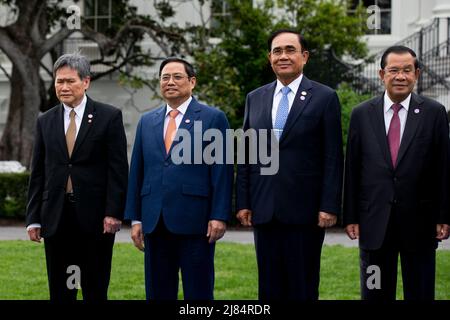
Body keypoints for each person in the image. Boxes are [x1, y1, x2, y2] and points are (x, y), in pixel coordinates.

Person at [235, 29, 344, 300]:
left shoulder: (325, 97)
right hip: (265, 209)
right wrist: (243, 201)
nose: (283, 56)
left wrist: (329, 205)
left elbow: (333, 156)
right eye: (277, 51)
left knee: (302, 287)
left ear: (304, 57)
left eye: (290, 50)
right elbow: (247, 153)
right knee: (269, 289)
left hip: (305, 213)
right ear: (269, 57)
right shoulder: (255, 98)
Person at [343, 45, 450, 300]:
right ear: (382, 75)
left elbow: (443, 168)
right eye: (393, 70)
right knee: (375, 291)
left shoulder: (434, 113)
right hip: (374, 223)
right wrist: (351, 216)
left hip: (420, 223)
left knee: (420, 292)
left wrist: (443, 215)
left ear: (417, 74)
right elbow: (353, 168)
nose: (400, 76)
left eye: (407, 70)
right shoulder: (361, 114)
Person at [124, 57, 233, 300]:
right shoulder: (146, 121)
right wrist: (136, 218)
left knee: (198, 292)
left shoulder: (213, 118)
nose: (170, 82)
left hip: (196, 222)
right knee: (158, 291)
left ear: (192, 82)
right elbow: (137, 172)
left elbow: (222, 170)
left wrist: (219, 215)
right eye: (165, 77)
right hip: (155, 221)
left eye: (177, 77)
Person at [26, 53, 128, 301]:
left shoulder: (109, 117)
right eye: (59, 81)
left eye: (70, 81)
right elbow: (38, 171)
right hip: (56, 218)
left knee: (94, 287)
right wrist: (33, 218)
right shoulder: (45, 120)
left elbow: (118, 170)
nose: (63, 87)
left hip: (95, 220)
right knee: (61, 291)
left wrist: (114, 212)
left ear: (86, 82)